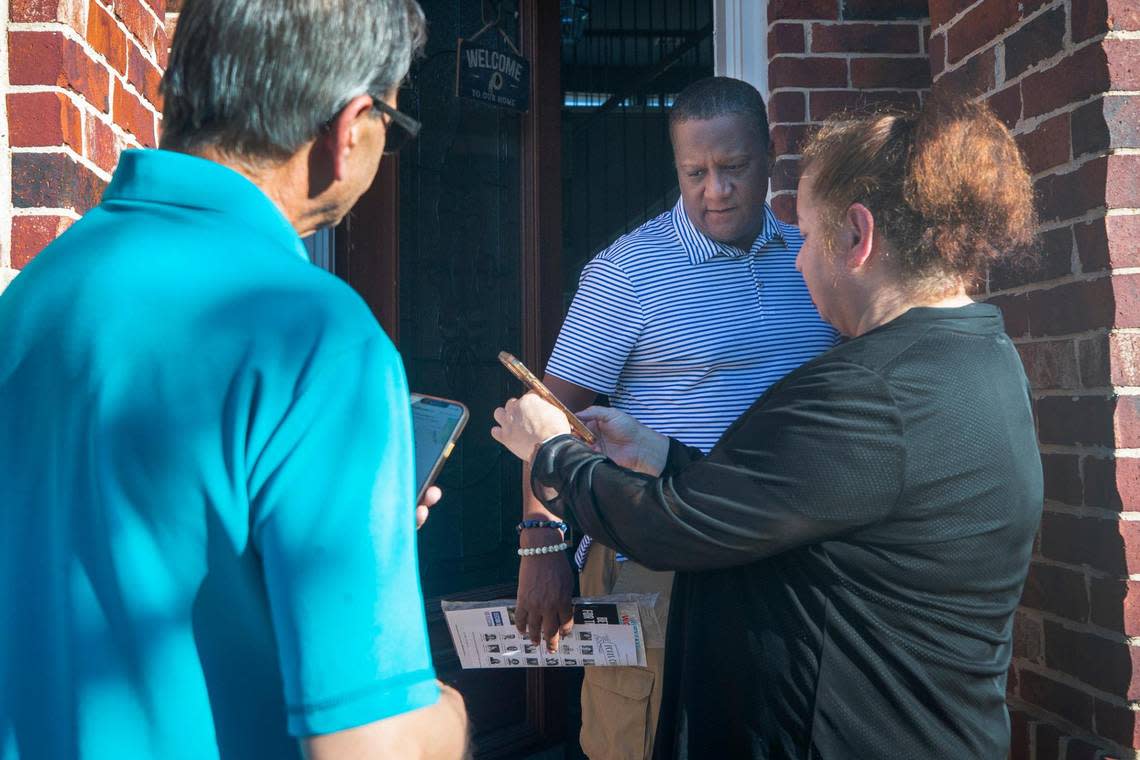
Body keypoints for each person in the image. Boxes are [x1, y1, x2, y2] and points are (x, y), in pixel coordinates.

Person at [493, 96, 1042, 759]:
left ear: (858, 237)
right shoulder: (985, 349)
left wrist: (554, 452)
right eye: (693, 171)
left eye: (808, 235)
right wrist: (657, 453)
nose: (799, 258)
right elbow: (802, 482)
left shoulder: (863, 389)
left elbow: (683, 522)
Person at [0, 1, 467, 758]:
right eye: (394, 123)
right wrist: (444, 715)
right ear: (349, 129)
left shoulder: (30, 300)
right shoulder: (318, 336)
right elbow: (374, 748)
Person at [514, 76, 836, 760]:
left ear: (769, 153)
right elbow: (550, 411)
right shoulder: (628, 272)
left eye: (732, 169)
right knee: (643, 742)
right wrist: (541, 542)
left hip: (787, 558)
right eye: (695, 173)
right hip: (654, 559)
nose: (714, 190)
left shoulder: (813, 260)